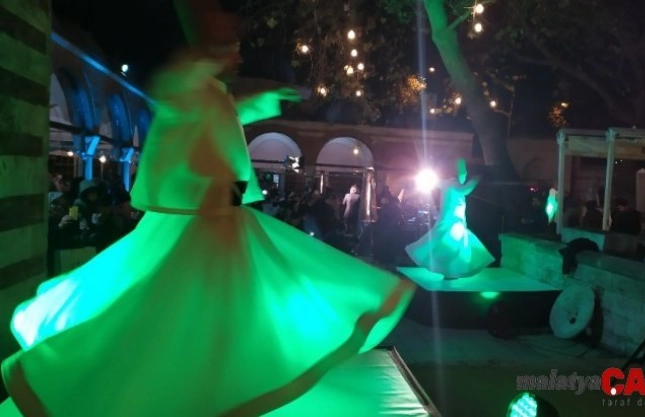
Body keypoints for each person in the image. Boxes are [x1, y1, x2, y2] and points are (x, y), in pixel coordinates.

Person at [0, 1, 415, 416]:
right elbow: (179, 93)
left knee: (235, 301)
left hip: (225, 219)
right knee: (172, 306)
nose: (238, 51)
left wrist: (266, 95)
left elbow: (228, 110)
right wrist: (211, 50)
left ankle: (223, 381)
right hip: (205, 223)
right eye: (230, 41)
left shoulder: (210, 89)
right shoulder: (187, 80)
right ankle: (105, 377)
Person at [405, 158, 494, 279]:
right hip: (452, 222)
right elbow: (465, 190)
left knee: (450, 245)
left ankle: (451, 270)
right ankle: (450, 269)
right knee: (449, 245)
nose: (465, 175)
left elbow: (441, 184)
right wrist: (476, 179)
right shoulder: (452, 184)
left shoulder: (445, 184)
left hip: (452, 221)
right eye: (464, 173)